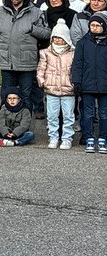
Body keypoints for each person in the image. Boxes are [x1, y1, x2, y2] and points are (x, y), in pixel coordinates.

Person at [0, 0, 51, 107]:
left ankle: (24, 124)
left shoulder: (36, 12)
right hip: (7, 61)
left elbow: (47, 33)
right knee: (6, 94)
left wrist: (32, 29)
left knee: (26, 96)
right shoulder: (0, 11)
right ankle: (6, 124)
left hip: (26, 61)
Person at [70, 10, 107, 153]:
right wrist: (77, 82)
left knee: (104, 113)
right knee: (88, 113)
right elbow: (77, 64)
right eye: (92, 25)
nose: (95, 28)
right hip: (87, 84)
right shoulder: (83, 43)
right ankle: (89, 137)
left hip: (104, 85)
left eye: (98, 25)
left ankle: (103, 138)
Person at [37, 21, 76, 148]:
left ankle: (67, 138)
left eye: (61, 37)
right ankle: (53, 137)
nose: (58, 40)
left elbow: (75, 70)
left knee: (68, 116)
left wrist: (75, 84)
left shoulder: (72, 53)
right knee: (52, 116)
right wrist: (42, 82)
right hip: (51, 89)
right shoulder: (45, 52)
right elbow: (41, 69)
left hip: (68, 90)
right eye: (55, 37)